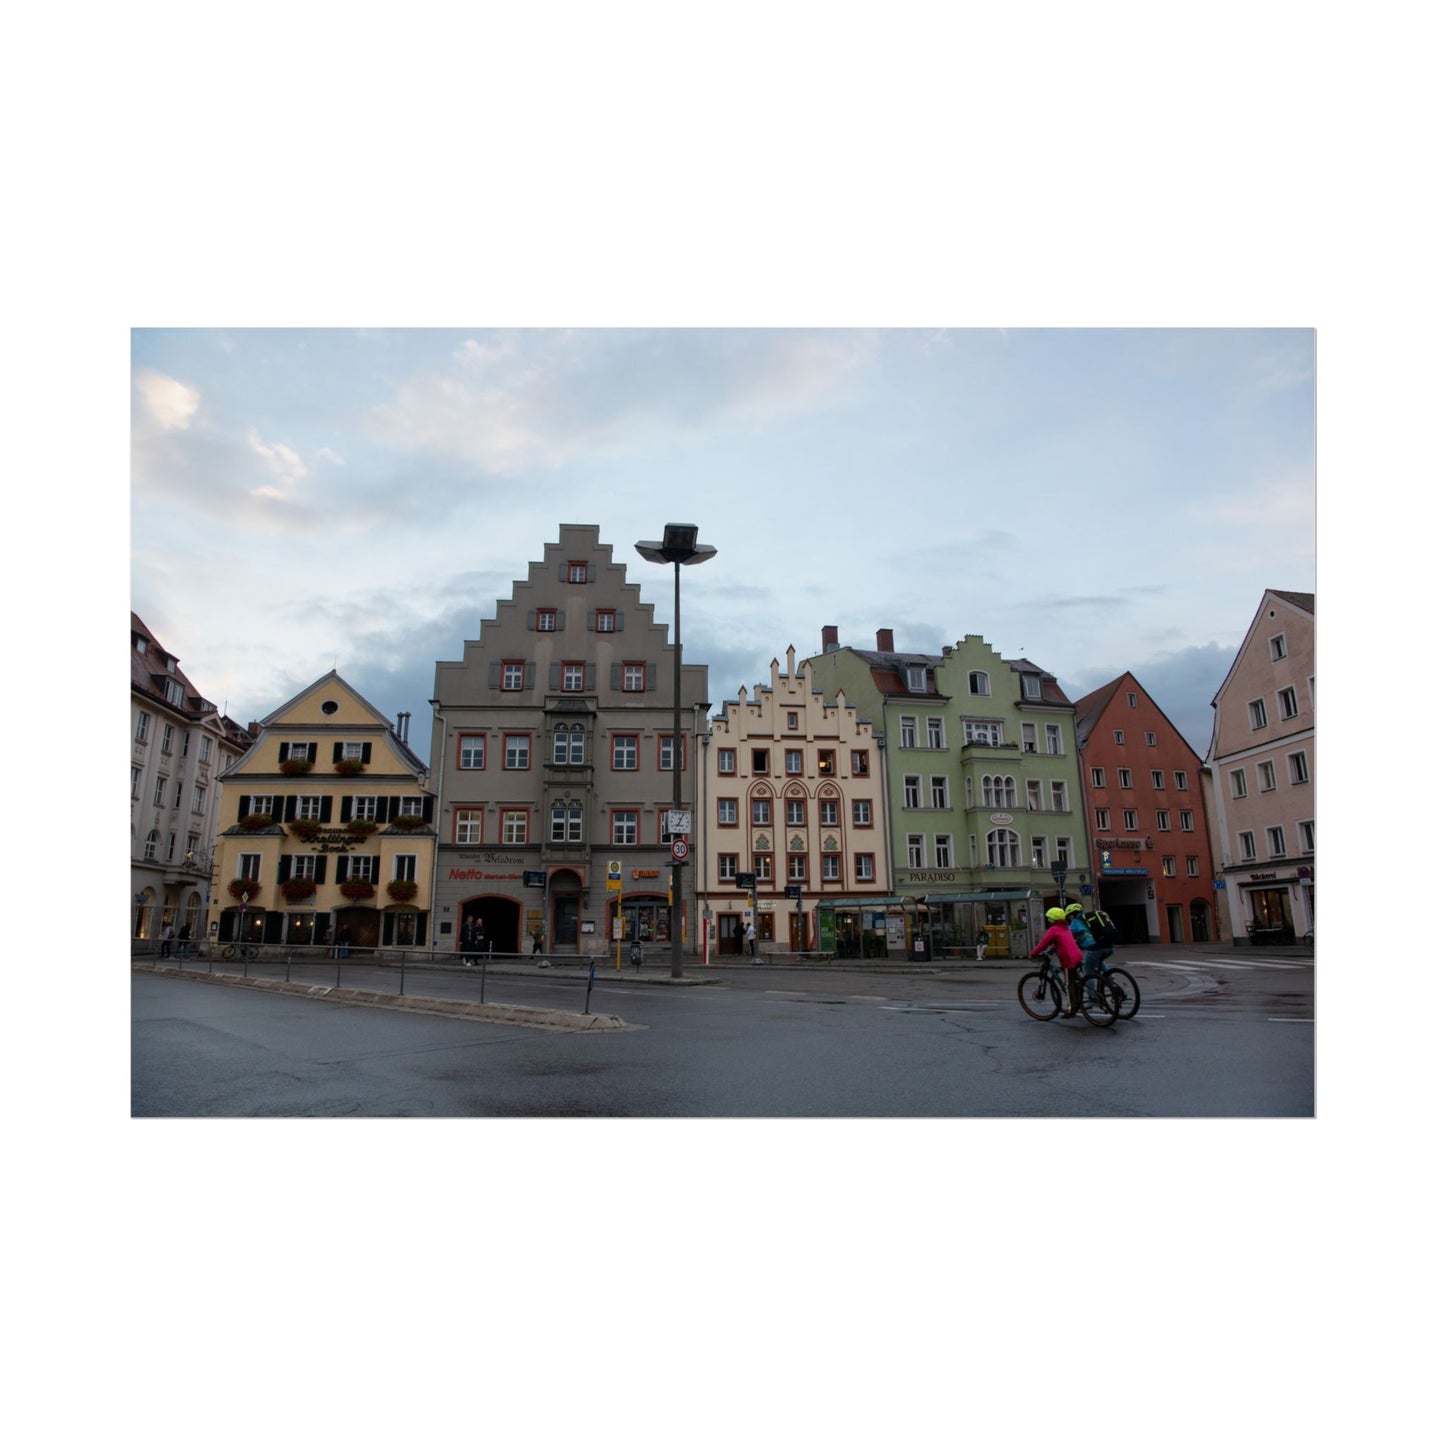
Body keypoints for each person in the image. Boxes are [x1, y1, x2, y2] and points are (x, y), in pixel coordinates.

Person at [1031, 906, 1084, 1016]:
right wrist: (1052, 949)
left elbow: (1043, 943)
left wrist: (1033, 953)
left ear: (1051, 920)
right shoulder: (1066, 927)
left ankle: (1072, 1009)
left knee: (1068, 985)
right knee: (1076, 981)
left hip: (1068, 959)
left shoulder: (1053, 930)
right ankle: (1080, 1000)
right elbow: (1061, 941)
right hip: (1078, 955)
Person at [1065, 903, 1114, 992]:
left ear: (1073, 914)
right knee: (1098, 960)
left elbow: (1068, 935)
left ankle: (1092, 996)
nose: (1069, 918)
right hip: (1109, 946)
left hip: (1096, 947)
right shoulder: (1087, 919)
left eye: (1069, 916)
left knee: (1088, 972)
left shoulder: (1075, 922)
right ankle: (1109, 975)